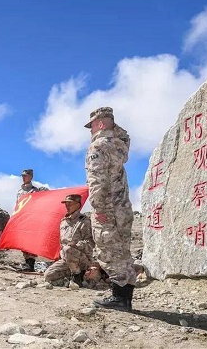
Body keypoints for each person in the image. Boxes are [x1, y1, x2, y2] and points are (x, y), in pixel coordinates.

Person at [84, 107, 136, 311]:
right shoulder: (120, 145)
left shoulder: (97, 147)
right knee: (122, 250)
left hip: (108, 207)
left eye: (93, 125)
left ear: (101, 124)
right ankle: (125, 298)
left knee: (110, 252)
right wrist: (114, 127)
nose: (90, 131)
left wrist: (98, 208)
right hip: (122, 208)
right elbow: (126, 137)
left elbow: (97, 181)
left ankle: (120, 298)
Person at [44, 194, 94, 287]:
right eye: (66, 204)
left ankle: (78, 276)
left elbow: (90, 243)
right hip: (66, 259)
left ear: (78, 205)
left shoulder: (84, 221)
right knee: (48, 275)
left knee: (68, 249)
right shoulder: (63, 222)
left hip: (81, 259)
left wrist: (77, 245)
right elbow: (61, 243)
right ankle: (69, 280)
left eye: (70, 204)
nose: (67, 206)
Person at [15, 169, 48, 271]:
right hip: (22, 219)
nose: (23, 177)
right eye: (22, 176)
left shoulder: (35, 191)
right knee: (23, 241)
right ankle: (26, 262)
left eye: (25, 175)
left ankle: (31, 263)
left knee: (31, 241)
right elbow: (17, 205)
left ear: (31, 177)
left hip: (31, 219)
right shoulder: (20, 192)